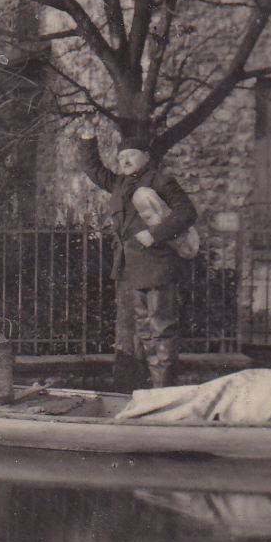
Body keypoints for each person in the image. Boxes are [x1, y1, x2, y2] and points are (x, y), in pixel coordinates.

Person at [73, 120, 197, 389]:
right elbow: (92, 169)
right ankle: (153, 390)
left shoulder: (161, 181)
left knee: (162, 330)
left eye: (130, 155)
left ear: (147, 157)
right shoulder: (119, 184)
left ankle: (164, 392)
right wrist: (87, 138)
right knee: (143, 331)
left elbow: (187, 213)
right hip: (130, 268)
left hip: (157, 267)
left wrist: (155, 234)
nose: (124, 160)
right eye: (120, 157)